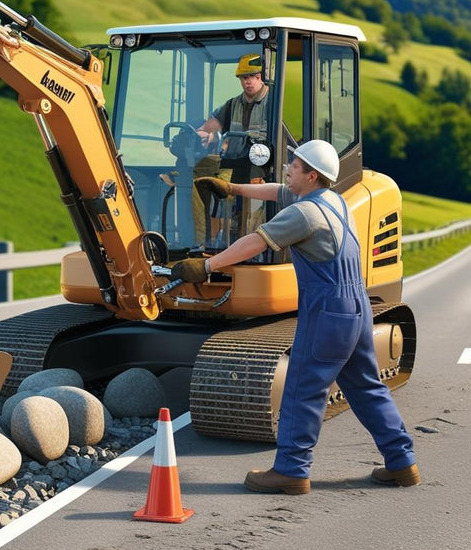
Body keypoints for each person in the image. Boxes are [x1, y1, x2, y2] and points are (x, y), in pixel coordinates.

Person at [172, 140, 419, 495]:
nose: (288, 167)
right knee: (367, 387)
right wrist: (232, 188)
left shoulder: (303, 215)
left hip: (328, 310)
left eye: (295, 164)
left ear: (312, 175)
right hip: (358, 307)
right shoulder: (332, 201)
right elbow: (279, 191)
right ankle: (402, 462)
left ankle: (291, 470)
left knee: (303, 390)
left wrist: (207, 265)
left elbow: (255, 243)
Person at [192, 53, 270, 245]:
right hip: (235, 164)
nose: (249, 82)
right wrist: (204, 134)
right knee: (207, 178)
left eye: (254, 77)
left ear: (262, 77)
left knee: (251, 209)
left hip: (263, 167)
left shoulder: (274, 102)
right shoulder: (233, 104)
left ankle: (251, 240)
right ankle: (211, 241)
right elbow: (210, 126)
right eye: (245, 78)